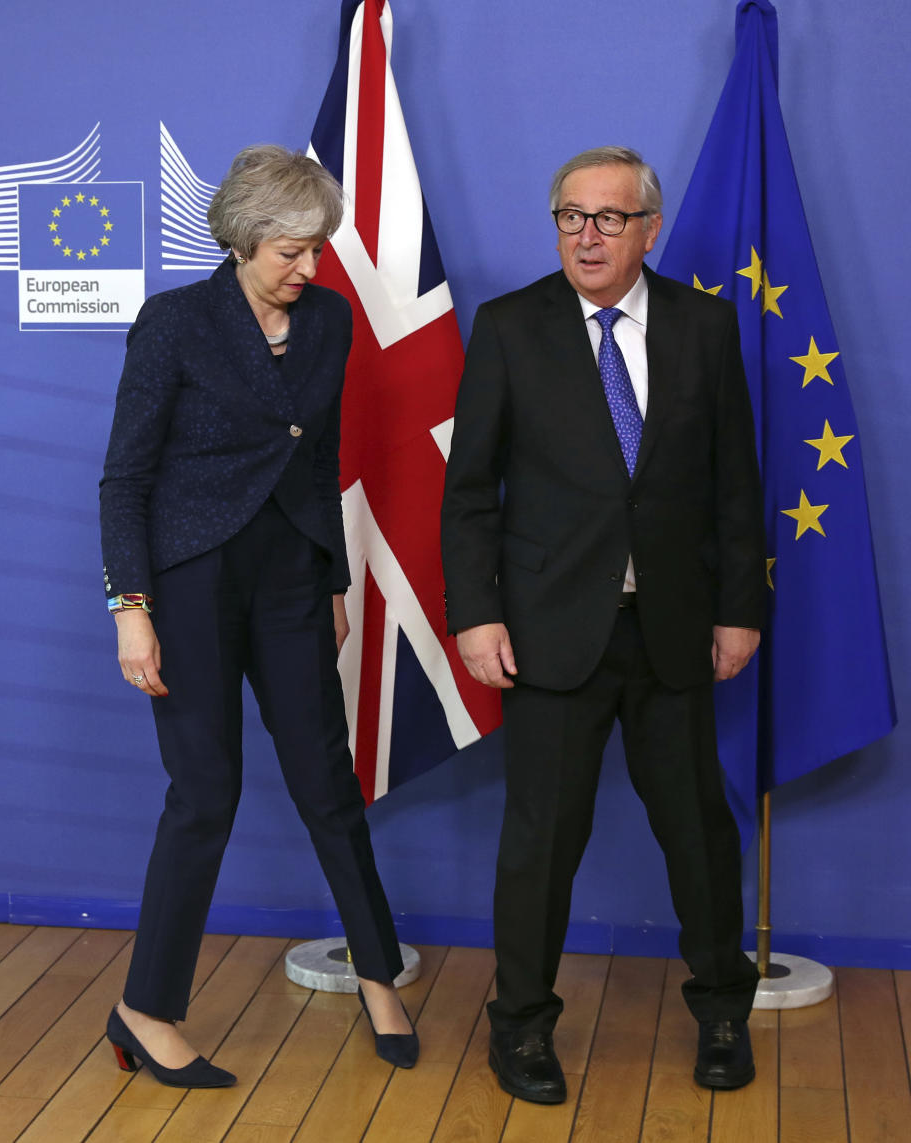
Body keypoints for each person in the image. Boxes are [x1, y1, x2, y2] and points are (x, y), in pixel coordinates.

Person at [441, 147, 765, 1104]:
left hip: (673, 627)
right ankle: (522, 1030)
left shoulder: (706, 326)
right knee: (539, 843)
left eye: (609, 219)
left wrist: (738, 609)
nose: (587, 235)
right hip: (547, 633)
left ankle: (720, 1016)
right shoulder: (509, 328)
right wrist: (477, 615)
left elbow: (734, 484)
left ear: (648, 230)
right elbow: (469, 497)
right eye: (571, 216)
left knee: (700, 835)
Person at [99, 144, 417, 1088]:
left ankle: (378, 973)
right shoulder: (175, 323)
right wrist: (131, 609)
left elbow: (317, 461)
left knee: (327, 780)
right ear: (240, 240)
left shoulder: (328, 322)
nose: (309, 271)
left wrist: (333, 583)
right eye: (289, 252)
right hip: (189, 583)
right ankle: (144, 1009)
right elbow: (126, 478)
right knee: (205, 796)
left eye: (316, 250)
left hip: (291, 578)